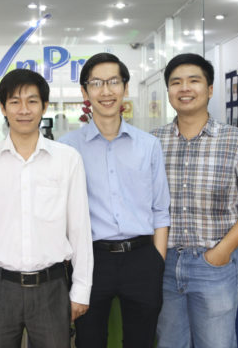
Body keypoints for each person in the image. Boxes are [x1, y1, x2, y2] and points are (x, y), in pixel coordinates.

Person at [0, 68, 93, 348]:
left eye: (32, 101)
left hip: (52, 286)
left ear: (44, 106)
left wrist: (81, 288)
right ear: (3, 108)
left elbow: (80, 228)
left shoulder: (67, 159)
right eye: (15, 102)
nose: (24, 110)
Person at [152, 53, 238, 348]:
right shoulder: (152, 142)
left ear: (209, 89)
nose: (184, 88)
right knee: (169, 343)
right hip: (164, 265)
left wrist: (222, 251)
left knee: (216, 343)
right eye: (176, 82)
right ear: (169, 91)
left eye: (193, 81)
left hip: (213, 265)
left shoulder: (236, 140)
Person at [60, 53, 171, 348]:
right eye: (96, 83)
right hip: (91, 260)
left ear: (125, 87)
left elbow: (160, 209)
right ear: (85, 91)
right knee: (89, 340)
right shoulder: (67, 149)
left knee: (141, 341)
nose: (106, 91)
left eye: (113, 82)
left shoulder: (149, 145)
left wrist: (156, 262)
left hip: (142, 258)